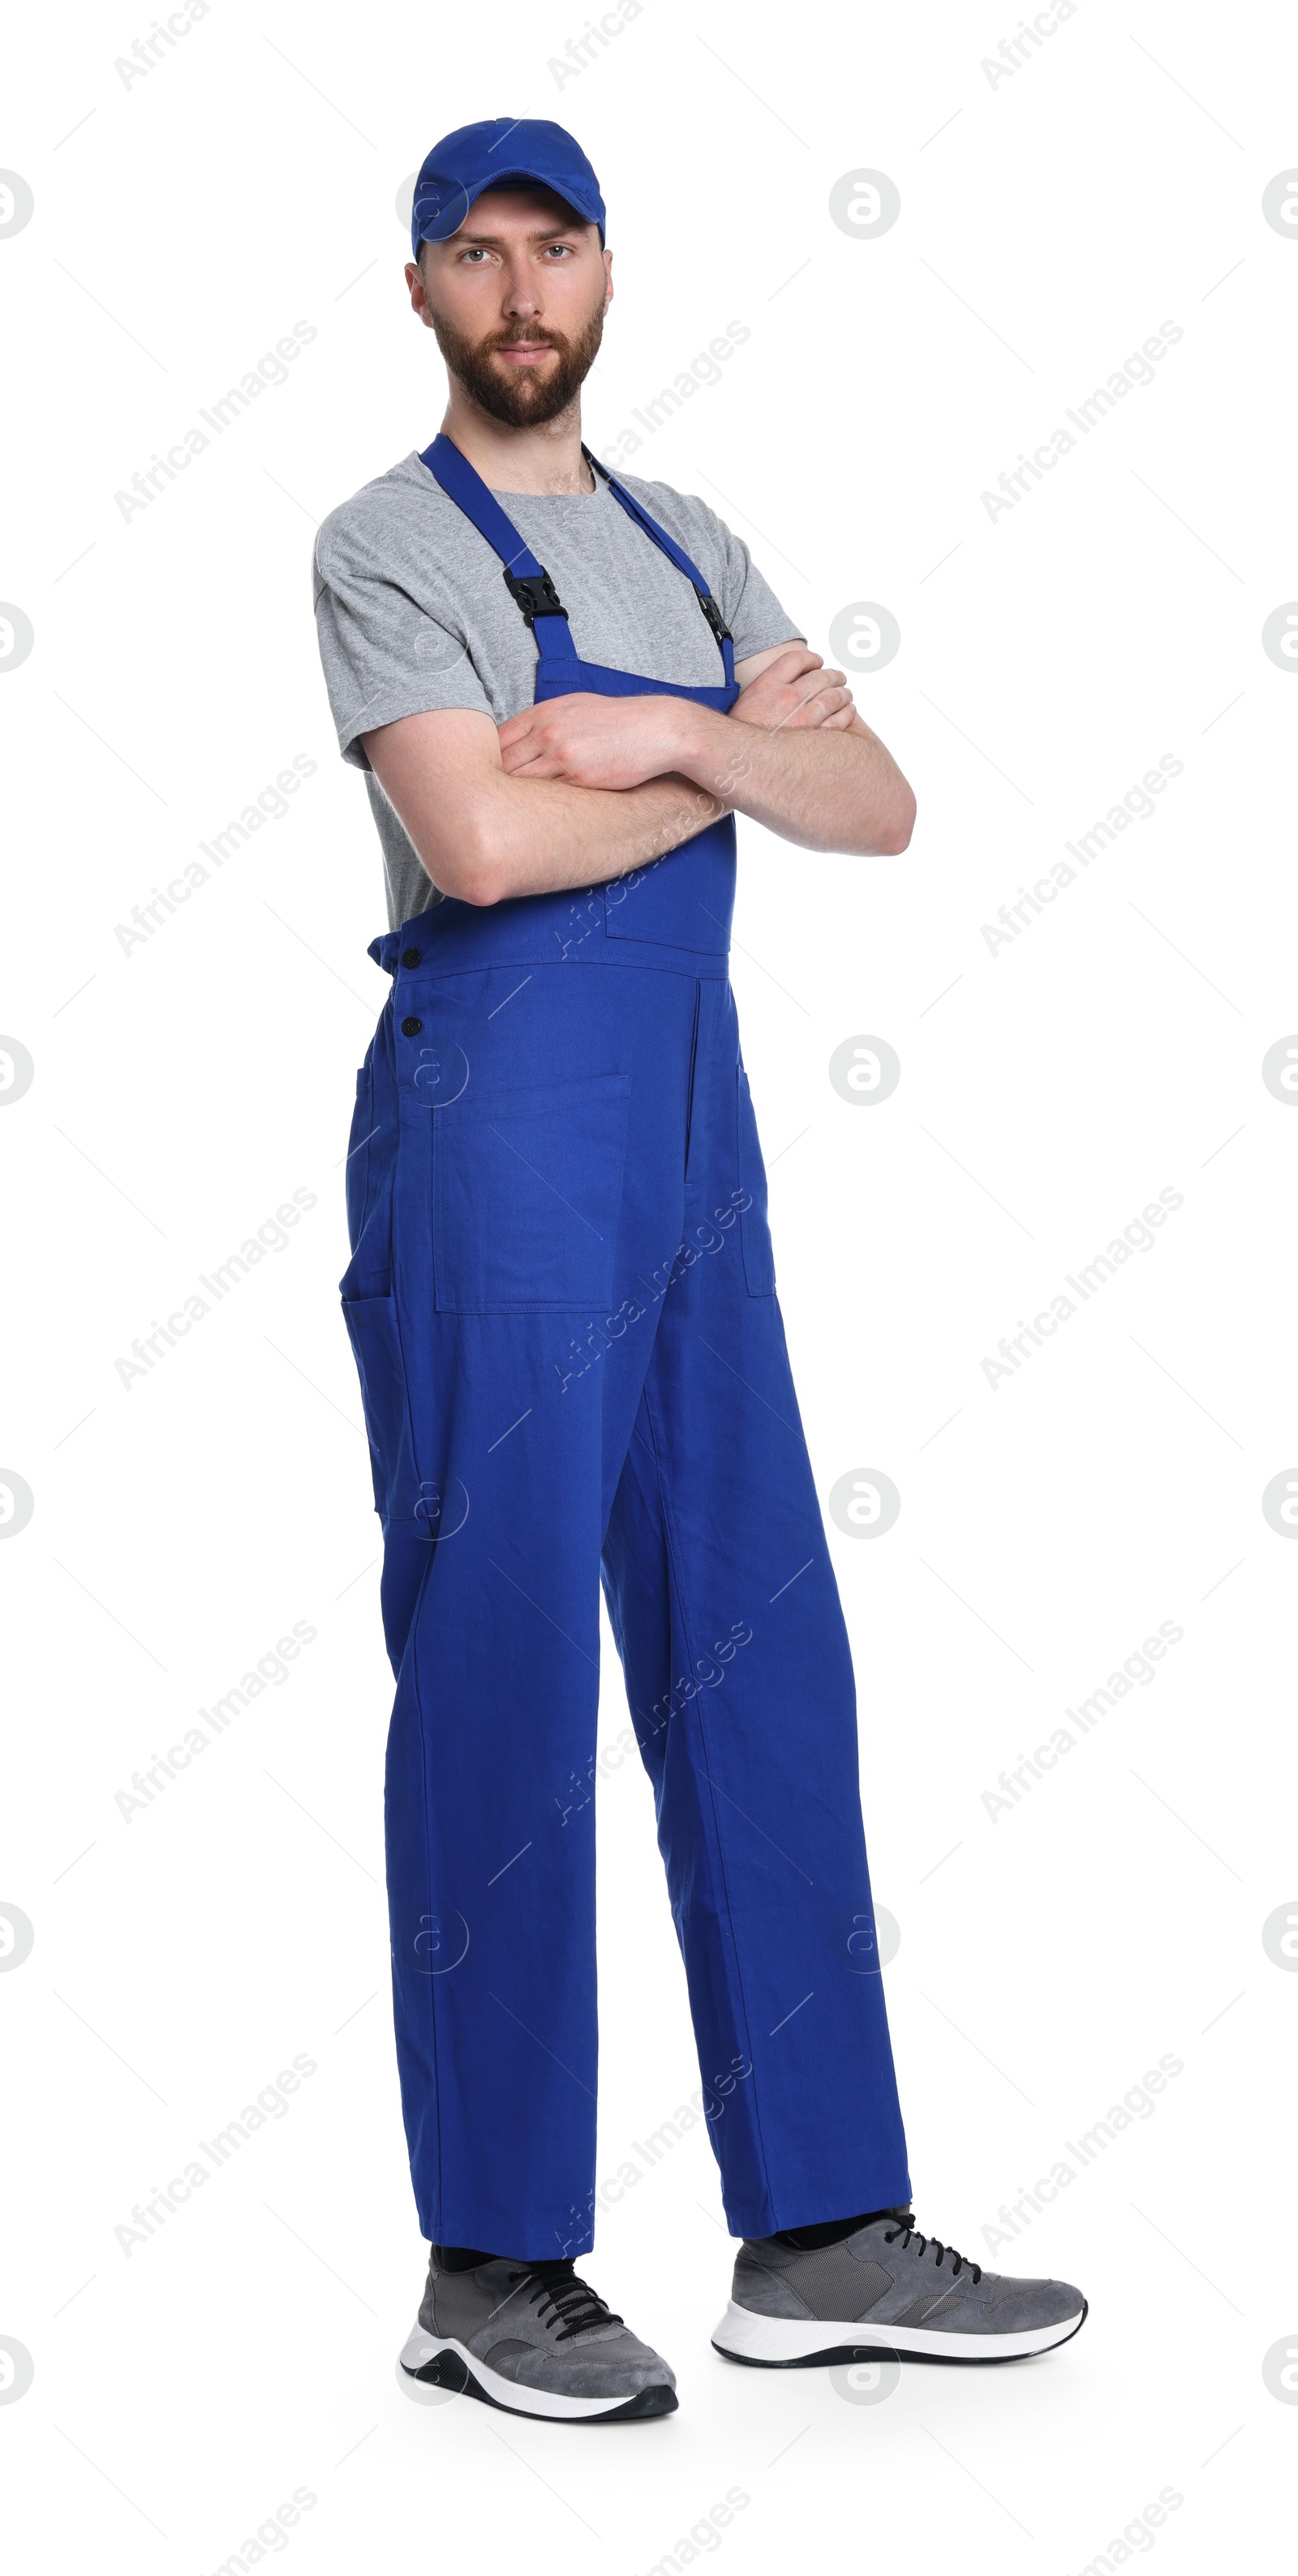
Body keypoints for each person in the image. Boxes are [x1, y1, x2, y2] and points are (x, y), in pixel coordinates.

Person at [312, 116, 1086, 2424]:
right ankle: (496, 2266)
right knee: (504, 1683)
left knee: (765, 1647)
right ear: (428, 290)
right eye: (477, 254)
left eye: (555, 246)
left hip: (692, 1162)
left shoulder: (687, 535)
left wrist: (660, 728)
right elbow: (472, 829)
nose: (521, 287)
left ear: (608, 274)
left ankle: (822, 2225)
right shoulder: (382, 544)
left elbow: (883, 804)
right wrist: (742, 751)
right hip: (496, 1161)